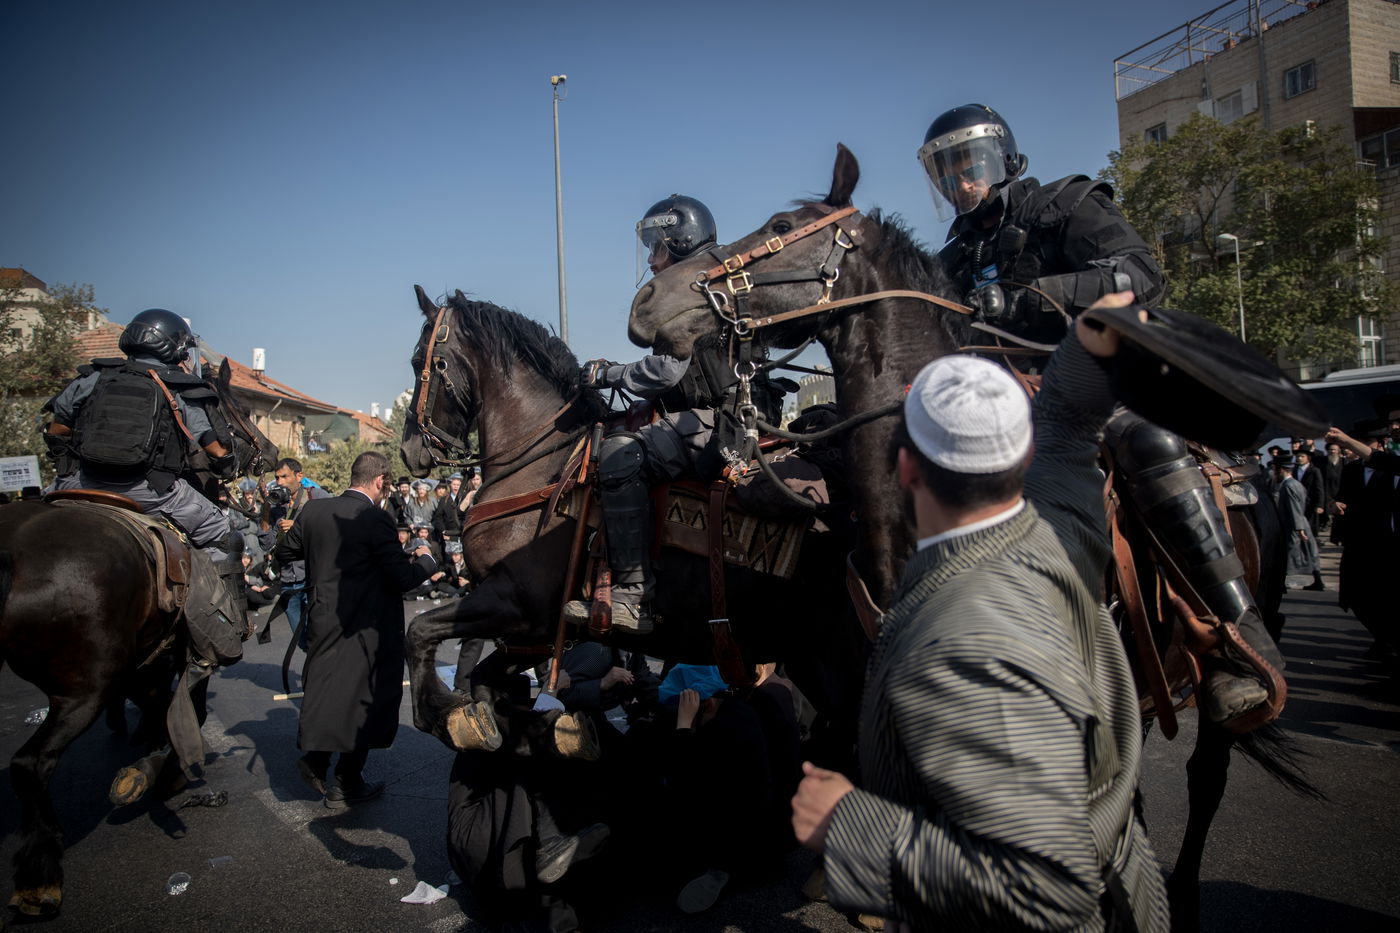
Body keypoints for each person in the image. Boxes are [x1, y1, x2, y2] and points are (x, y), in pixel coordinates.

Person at [791, 296, 1169, 932]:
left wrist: (849, 824)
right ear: (1024, 457)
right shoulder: (1064, 517)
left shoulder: (965, 639)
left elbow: (1048, 887)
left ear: (904, 467)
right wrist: (1085, 346)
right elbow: (1069, 422)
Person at [917, 103, 1282, 726]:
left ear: (1003, 158)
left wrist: (1034, 295)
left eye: (968, 162)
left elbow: (1140, 274)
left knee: (1149, 442)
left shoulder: (1065, 205)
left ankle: (1238, 638)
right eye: (945, 171)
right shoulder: (951, 258)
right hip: (998, 396)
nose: (960, 179)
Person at [563, 195, 783, 633]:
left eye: (656, 247)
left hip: (722, 420)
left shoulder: (692, 288)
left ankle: (632, 597)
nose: (651, 259)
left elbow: (665, 371)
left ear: (679, 240)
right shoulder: (715, 280)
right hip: (728, 413)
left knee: (620, 454)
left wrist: (608, 373)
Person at [43, 308, 244, 622]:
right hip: (148, 490)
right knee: (223, 533)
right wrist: (228, 461)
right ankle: (222, 621)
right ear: (173, 348)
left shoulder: (93, 377)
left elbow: (57, 431)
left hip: (79, 483)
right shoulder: (176, 386)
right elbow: (216, 449)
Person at [275, 450, 432, 808]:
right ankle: (346, 781)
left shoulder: (313, 511)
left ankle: (317, 760)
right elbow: (402, 577)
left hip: (323, 616)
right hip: (367, 626)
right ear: (380, 481)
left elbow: (285, 553)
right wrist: (427, 560)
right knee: (366, 699)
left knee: (327, 689)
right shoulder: (375, 518)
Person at [1328, 421, 1400, 661]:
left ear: (1380, 444)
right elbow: (1341, 497)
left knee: (1384, 595)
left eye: (1366, 442)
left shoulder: (1391, 468)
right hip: (1357, 541)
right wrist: (1335, 505)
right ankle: (1382, 636)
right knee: (1355, 595)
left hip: (1385, 543)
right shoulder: (1351, 469)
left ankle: (1386, 641)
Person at [264, 458, 331, 647]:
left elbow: (334, 526)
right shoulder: (276, 505)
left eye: (284, 477)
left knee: (319, 635)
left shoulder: (316, 496)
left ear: (299, 476)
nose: (280, 482)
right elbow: (266, 543)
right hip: (288, 580)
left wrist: (299, 527)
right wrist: (265, 510)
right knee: (301, 640)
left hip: (313, 577)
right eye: (277, 478)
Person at [1270, 456, 1323, 591]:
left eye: (1275, 470)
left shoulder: (1289, 486)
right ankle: (1316, 581)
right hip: (1298, 522)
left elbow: (1294, 508)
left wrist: (1299, 528)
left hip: (1294, 524)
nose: (1274, 474)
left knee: (1294, 554)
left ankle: (1285, 582)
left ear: (1282, 470)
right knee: (1308, 553)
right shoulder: (1295, 484)